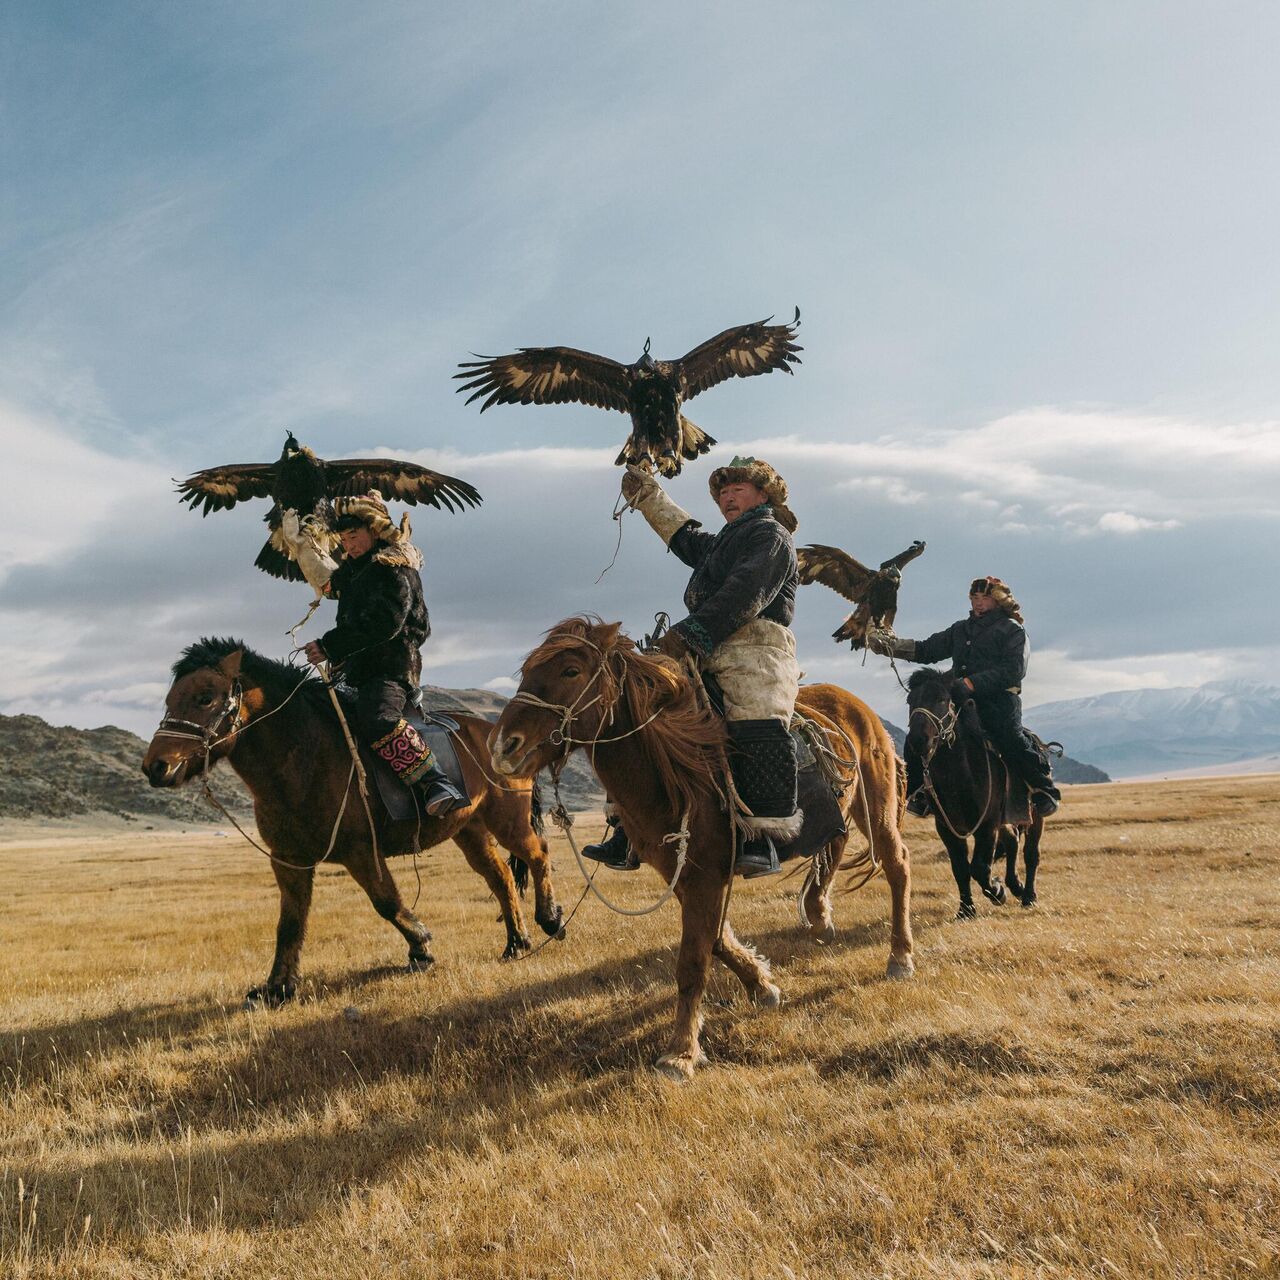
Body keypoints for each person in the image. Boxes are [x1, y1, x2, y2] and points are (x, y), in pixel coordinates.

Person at [581, 455, 803, 878]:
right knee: (640, 712)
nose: (726, 496)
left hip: (754, 650)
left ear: (764, 494)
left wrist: (687, 635)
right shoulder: (725, 540)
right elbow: (685, 536)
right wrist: (647, 494)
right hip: (701, 646)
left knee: (754, 717)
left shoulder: (771, 535)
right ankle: (629, 829)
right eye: (722, 491)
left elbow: (744, 595)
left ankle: (761, 840)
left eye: (737, 488)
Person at [300, 492, 464, 816]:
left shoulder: (394, 569)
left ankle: (435, 782)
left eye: (354, 536)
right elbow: (330, 585)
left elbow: (384, 624)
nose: (349, 545)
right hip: (355, 670)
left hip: (390, 669)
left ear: (374, 532)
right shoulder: (355, 572)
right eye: (344, 539)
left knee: (378, 720)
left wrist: (330, 646)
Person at [870, 576, 1060, 819]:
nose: (979, 603)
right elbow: (928, 649)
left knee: (1009, 737)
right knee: (919, 736)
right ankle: (917, 791)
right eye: (975, 598)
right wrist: (890, 646)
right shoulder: (961, 629)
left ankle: (1043, 789)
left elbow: (1014, 670)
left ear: (998, 601)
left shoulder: (1012, 629)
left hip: (999, 702)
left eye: (986, 598)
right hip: (959, 701)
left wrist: (973, 682)